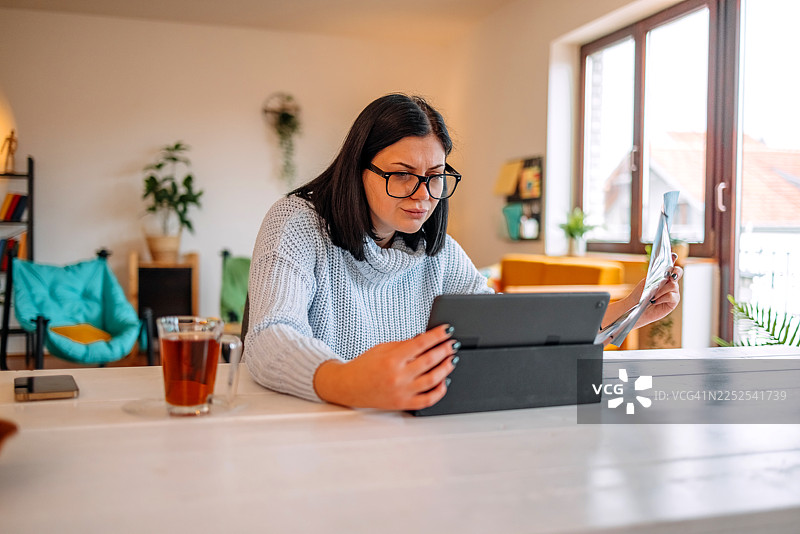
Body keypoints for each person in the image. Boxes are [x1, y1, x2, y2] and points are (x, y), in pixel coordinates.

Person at [244, 93, 682, 411]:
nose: (423, 195)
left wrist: (629, 310)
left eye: (435, 176)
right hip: (309, 432)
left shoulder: (437, 251)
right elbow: (267, 337)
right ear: (358, 169)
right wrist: (347, 380)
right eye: (402, 174)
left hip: (406, 435)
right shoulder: (297, 223)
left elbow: (507, 330)